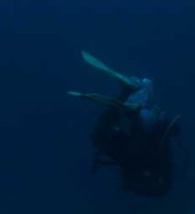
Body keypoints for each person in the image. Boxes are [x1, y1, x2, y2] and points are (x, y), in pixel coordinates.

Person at [69, 52, 180, 196]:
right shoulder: (158, 159)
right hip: (140, 142)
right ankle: (133, 103)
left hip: (134, 140)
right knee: (104, 137)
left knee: (102, 137)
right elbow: (163, 182)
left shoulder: (147, 162)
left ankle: (127, 95)